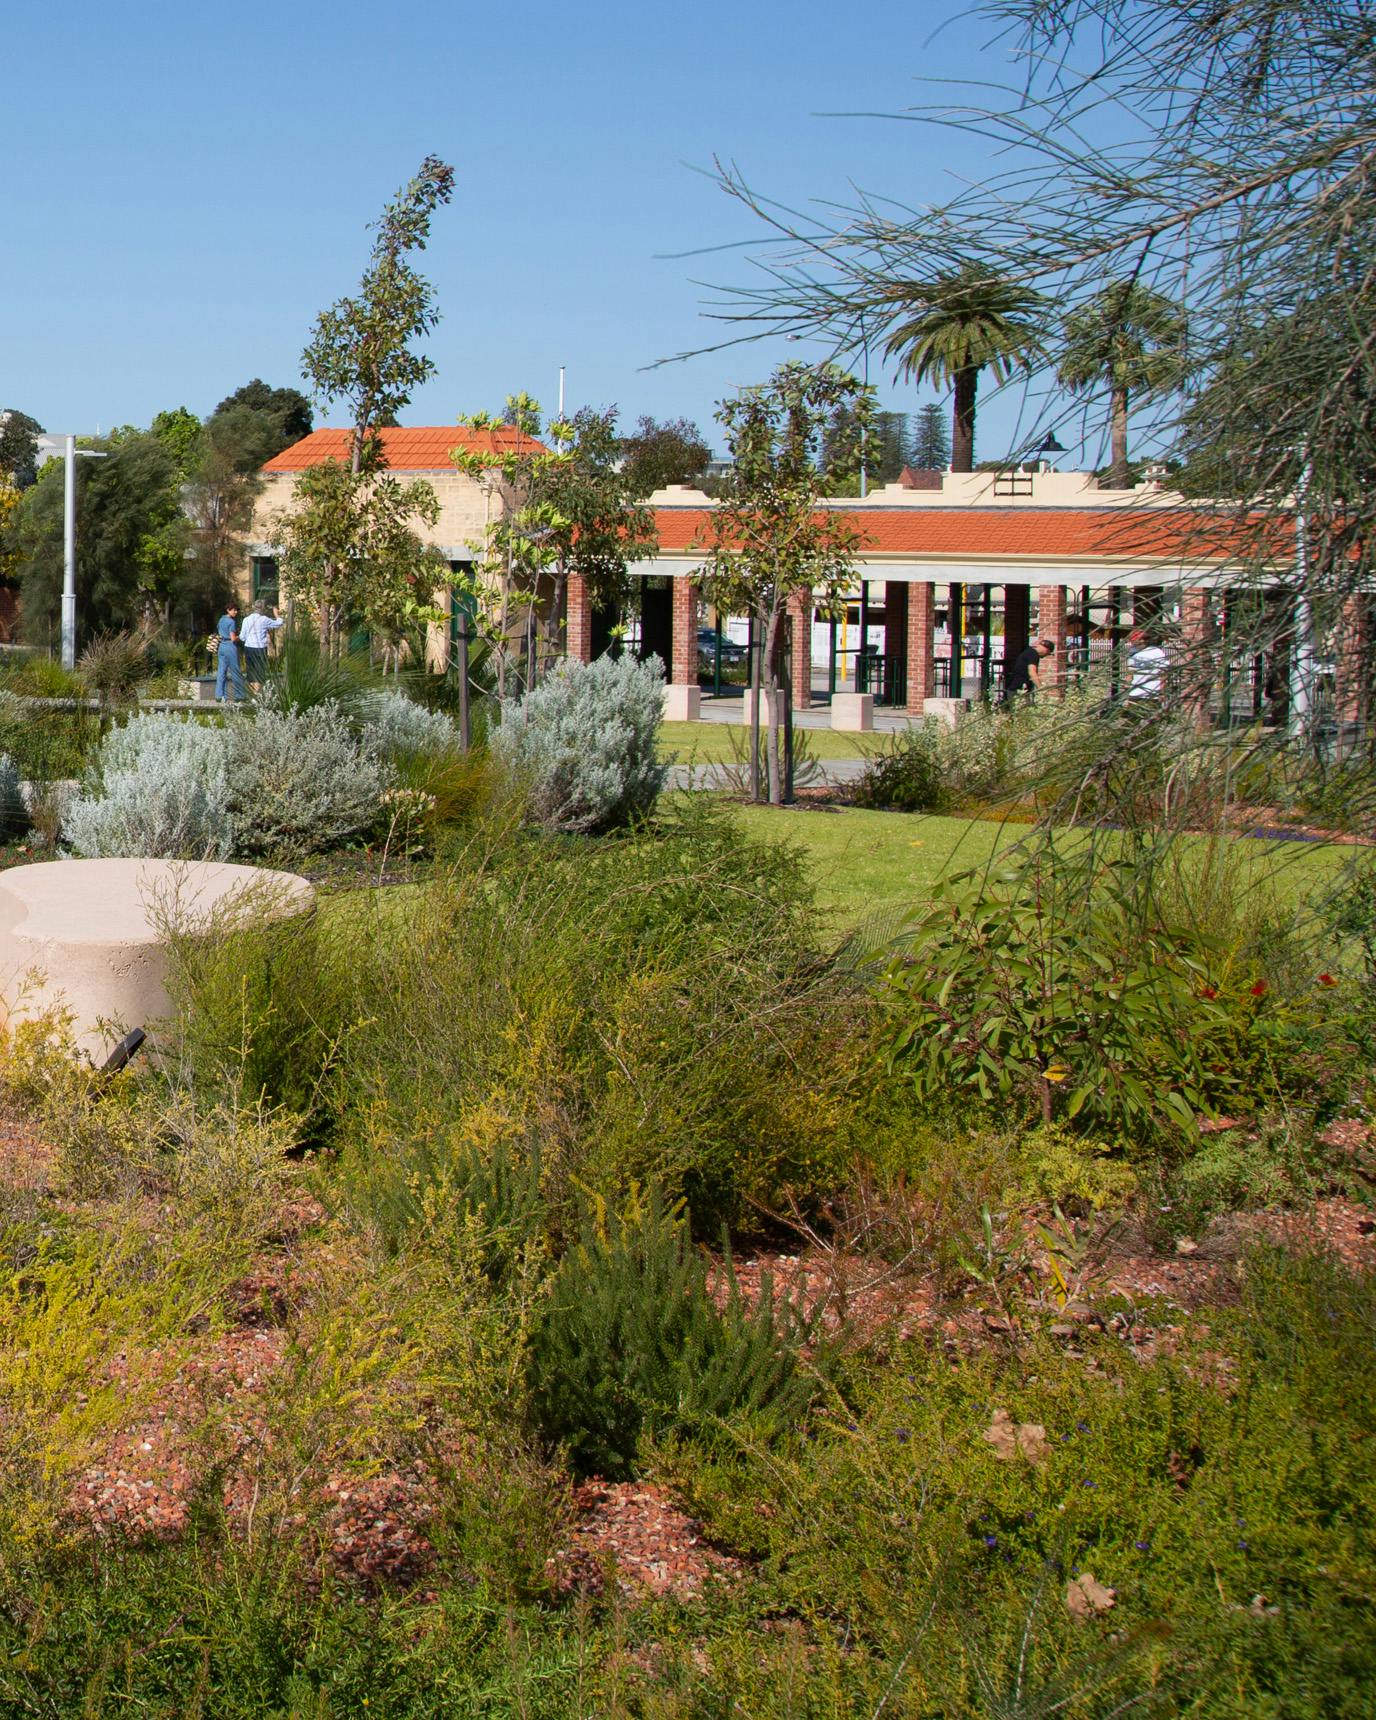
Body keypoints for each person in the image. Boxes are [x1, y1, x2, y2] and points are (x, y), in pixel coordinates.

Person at [239, 600, 284, 692]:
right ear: (262, 608)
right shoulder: (264, 619)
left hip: (249, 647)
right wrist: (276, 614)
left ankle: (253, 695)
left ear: (253, 607)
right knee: (259, 671)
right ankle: (257, 694)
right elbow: (279, 623)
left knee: (251, 671)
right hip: (260, 648)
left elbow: (242, 637)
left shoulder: (246, 620)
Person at [1124, 627, 1169, 702]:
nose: (1132, 643)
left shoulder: (1156, 652)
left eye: (1134, 641)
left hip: (1151, 695)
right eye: (1131, 641)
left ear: (1143, 640)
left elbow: (1164, 673)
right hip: (1134, 694)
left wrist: (1162, 692)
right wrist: (1127, 685)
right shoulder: (1133, 652)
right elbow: (1130, 672)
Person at [214, 603, 246, 703]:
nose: (235, 612)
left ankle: (219, 695)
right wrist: (240, 637)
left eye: (236, 610)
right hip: (230, 646)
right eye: (233, 610)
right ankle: (239, 695)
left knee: (221, 671)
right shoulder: (231, 622)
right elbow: (233, 638)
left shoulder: (221, 619)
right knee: (235, 671)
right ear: (228, 610)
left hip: (221, 646)